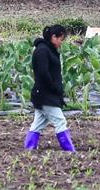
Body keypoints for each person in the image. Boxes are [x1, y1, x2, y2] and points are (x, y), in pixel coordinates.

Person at [24, 24, 75, 152]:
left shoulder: (47, 50)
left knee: (38, 123)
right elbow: (43, 73)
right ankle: (69, 151)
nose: (61, 43)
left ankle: (29, 148)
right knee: (60, 121)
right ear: (53, 37)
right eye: (61, 39)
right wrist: (54, 87)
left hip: (43, 94)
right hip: (45, 94)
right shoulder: (43, 51)